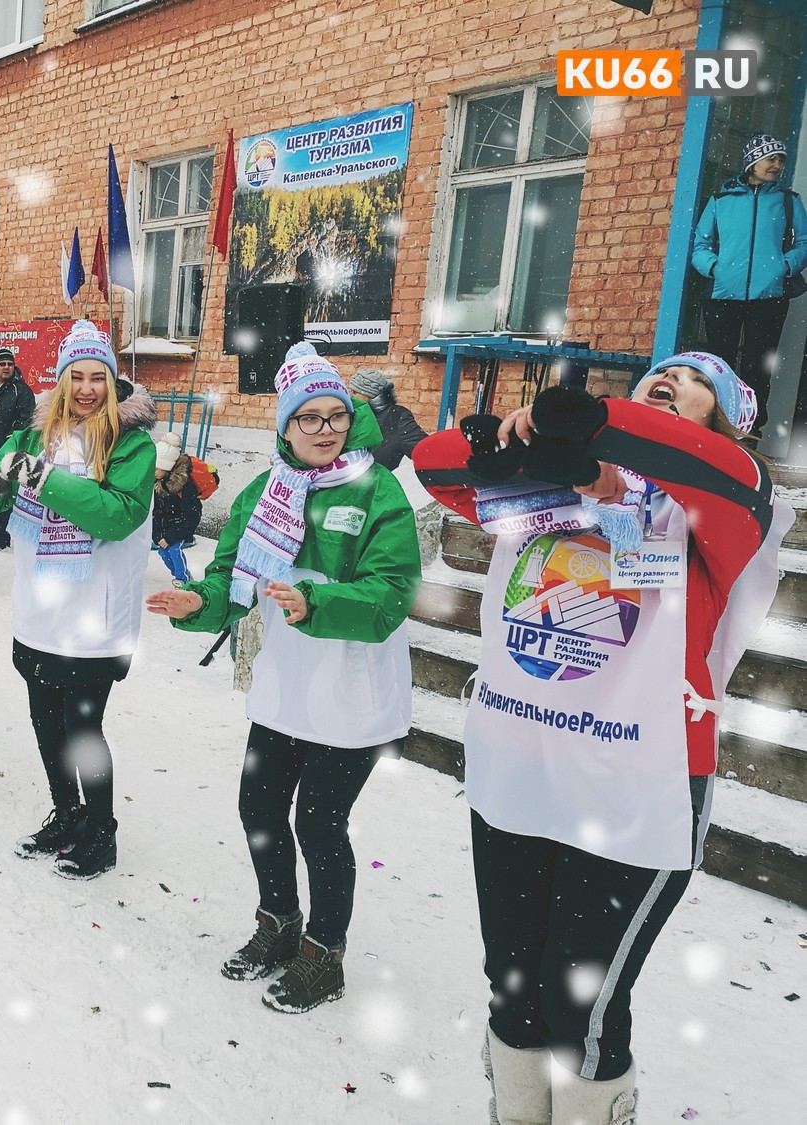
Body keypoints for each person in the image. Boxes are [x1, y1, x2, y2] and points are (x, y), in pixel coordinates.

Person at [412, 352, 790, 1124]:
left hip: (637, 787)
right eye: (663, 374)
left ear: (721, 424)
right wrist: (535, 447)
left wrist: (608, 442)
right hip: (524, 773)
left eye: (697, 386)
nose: (673, 381)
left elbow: (727, 472)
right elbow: (435, 463)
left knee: (578, 997)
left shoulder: (720, 512)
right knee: (513, 985)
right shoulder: (550, 497)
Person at [148, 341, 420, 1015]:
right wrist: (196, 603)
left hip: (352, 689)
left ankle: (325, 955)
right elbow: (229, 578)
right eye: (309, 417)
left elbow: (391, 591)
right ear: (286, 425)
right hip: (286, 685)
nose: (325, 429)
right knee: (260, 809)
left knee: (320, 825)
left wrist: (317, 601)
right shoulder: (265, 491)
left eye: (336, 415)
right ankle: (279, 922)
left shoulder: (376, 489)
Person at [0, 320, 156, 877]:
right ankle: (67, 815)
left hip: (94, 617)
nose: (87, 388)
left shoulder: (132, 444)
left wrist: (42, 479)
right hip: (39, 610)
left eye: (98, 377)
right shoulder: (33, 436)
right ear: (62, 380)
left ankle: (102, 832)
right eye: (77, 376)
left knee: (82, 729)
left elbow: (117, 516)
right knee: (46, 724)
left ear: (113, 383)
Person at [691, 132, 807, 436]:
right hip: (722, 295)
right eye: (771, 158)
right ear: (752, 162)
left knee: (758, 368)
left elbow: (804, 243)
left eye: (781, 159)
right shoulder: (721, 201)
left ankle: (750, 432)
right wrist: (715, 268)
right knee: (720, 365)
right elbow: (700, 245)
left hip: (769, 298)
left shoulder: (788, 201)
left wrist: (784, 266)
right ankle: (715, 429)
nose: (777, 165)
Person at [0, 347, 35, 551]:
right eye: (2, 364)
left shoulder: (21, 390)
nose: (7, 367)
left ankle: (0, 537)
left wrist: (11, 441)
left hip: (8, 449)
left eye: (10, 364)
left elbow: (26, 419)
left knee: (4, 489)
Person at [347, 369, 427, 469]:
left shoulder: (395, 418)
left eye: (355, 392)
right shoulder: (348, 415)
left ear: (370, 394)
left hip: (378, 476)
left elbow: (427, 452)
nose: (350, 396)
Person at [151, 430, 202, 585]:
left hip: (179, 527)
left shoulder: (183, 485)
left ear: (166, 466)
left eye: (156, 468)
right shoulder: (158, 483)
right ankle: (181, 575)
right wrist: (158, 535)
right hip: (166, 528)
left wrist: (171, 536)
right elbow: (157, 512)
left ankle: (183, 579)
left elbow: (191, 514)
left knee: (174, 550)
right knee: (163, 553)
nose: (153, 471)